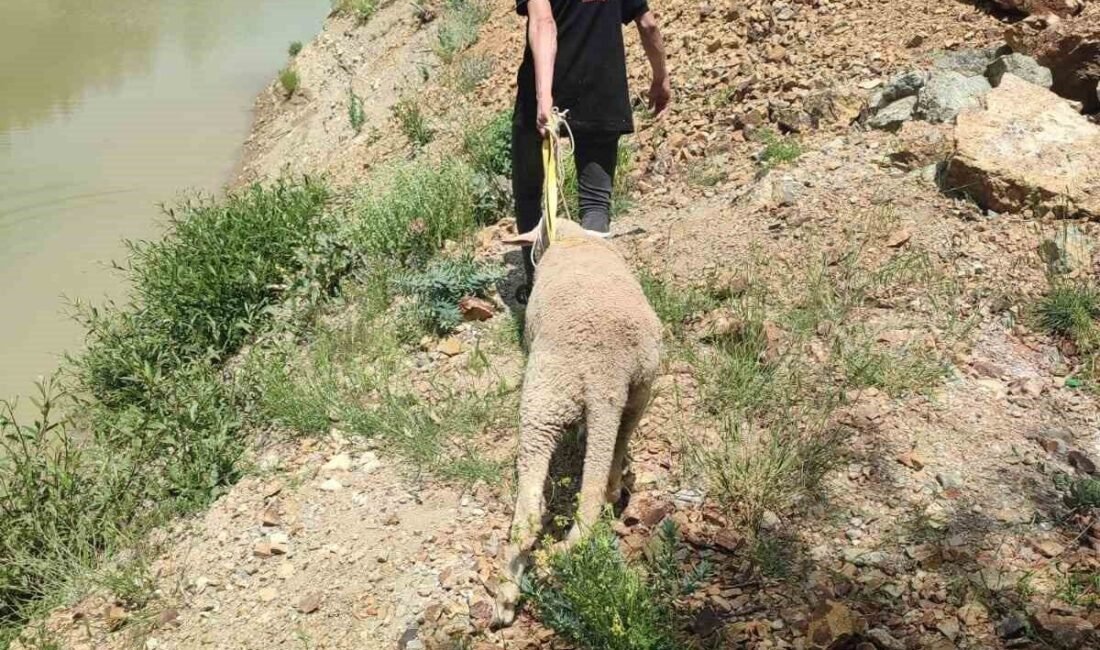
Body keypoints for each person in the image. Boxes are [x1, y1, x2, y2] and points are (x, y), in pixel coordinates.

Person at [512, 0, 670, 303]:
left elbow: (543, 23)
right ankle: (595, 297)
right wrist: (660, 77)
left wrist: (544, 98)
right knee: (595, 204)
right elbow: (648, 24)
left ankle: (541, 295)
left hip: (544, 97)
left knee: (532, 193)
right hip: (602, 91)